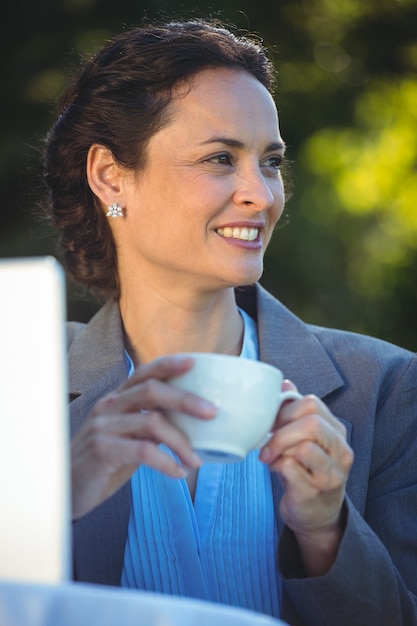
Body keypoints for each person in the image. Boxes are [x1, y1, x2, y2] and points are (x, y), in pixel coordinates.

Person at [42, 18, 417, 626]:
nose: (262, 195)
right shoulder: (21, 391)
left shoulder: (389, 390)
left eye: (270, 162)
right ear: (111, 176)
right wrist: (55, 502)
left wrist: (326, 529)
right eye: (220, 158)